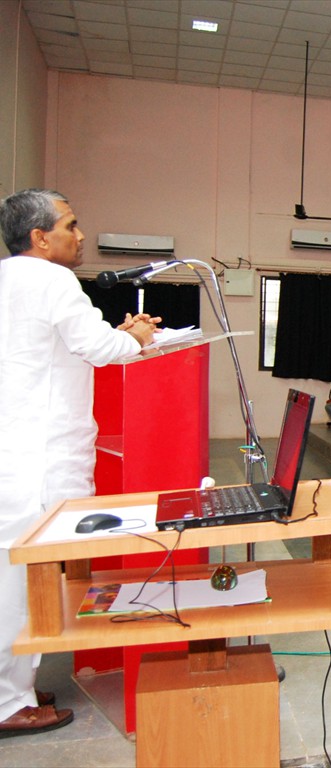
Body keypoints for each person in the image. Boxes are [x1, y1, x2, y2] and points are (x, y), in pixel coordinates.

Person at [0, 188, 158, 736]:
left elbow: (60, 345)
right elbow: (100, 350)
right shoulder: (51, 278)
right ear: (40, 238)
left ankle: (13, 688)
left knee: (12, 580)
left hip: (14, 455)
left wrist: (113, 336)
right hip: (37, 463)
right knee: (21, 586)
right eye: (71, 225)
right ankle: (7, 703)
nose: (81, 234)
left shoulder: (7, 279)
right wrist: (135, 336)